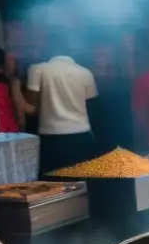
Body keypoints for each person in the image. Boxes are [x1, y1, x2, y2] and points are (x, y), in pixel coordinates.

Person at [26, 38, 98, 173]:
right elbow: (91, 105)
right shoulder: (85, 72)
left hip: (51, 137)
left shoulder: (38, 69)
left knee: (53, 185)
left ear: (47, 50)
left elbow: (30, 99)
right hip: (81, 136)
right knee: (81, 183)